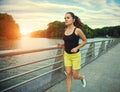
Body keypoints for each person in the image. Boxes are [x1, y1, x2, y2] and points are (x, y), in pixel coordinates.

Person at [57, 12, 87, 92]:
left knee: (75, 76)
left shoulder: (77, 30)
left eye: (68, 18)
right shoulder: (65, 29)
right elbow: (67, 42)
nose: (66, 19)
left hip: (75, 56)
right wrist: (62, 44)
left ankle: (82, 78)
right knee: (68, 75)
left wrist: (76, 48)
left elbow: (85, 41)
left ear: (73, 20)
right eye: (65, 18)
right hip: (66, 55)